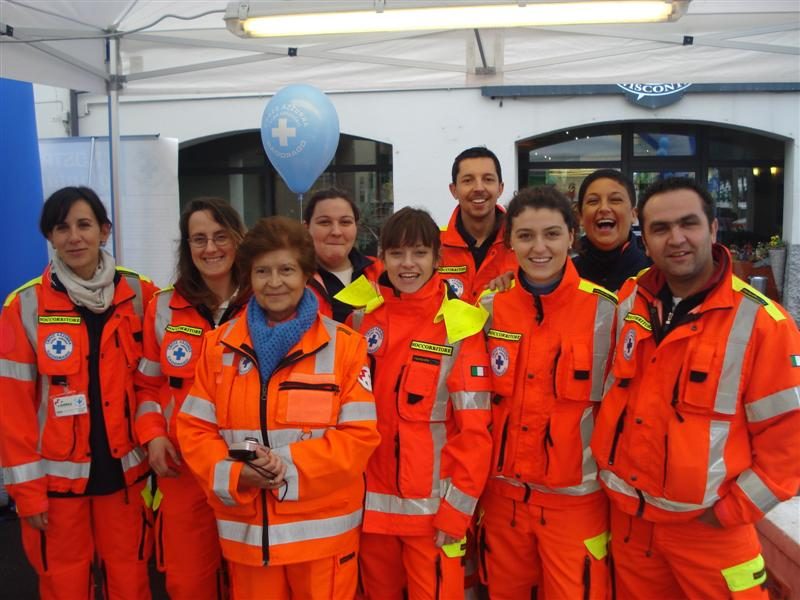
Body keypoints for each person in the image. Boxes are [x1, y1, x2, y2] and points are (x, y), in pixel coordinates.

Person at [591, 177, 800, 598]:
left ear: (713, 229)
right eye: (661, 228)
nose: (677, 239)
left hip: (711, 534)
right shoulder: (631, 301)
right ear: (644, 239)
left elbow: (789, 442)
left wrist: (728, 513)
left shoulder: (763, 323)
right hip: (632, 524)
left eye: (689, 224)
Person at [176, 216, 380, 600]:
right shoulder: (217, 345)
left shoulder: (346, 347)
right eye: (262, 271)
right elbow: (194, 430)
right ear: (247, 277)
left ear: (306, 275)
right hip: (249, 542)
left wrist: (282, 467)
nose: (274, 283)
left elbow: (359, 437)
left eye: (286, 270)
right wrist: (237, 475)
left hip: (324, 545)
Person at [0, 186, 158, 599]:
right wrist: (27, 494)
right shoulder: (24, 306)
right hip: (56, 490)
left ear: (104, 231)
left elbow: (155, 383)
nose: (74, 237)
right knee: (64, 585)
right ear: (50, 237)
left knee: (131, 580)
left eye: (84, 225)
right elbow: (12, 410)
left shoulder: (142, 295)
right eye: (61, 227)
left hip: (127, 479)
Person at [344, 207, 493, 600]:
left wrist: (457, 511)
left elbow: (475, 433)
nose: (407, 264)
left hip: (432, 518)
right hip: (369, 516)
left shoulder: (460, 326)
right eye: (396, 253)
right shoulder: (360, 320)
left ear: (438, 259)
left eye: (419, 253)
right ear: (382, 257)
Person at [477, 186, 614, 599]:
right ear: (510, 243)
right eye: (525, 236)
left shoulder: (609, 312)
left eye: (552, 234)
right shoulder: (487, 308)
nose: (540, 248)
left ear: (573, 236)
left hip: (576, 503)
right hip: (501, 499)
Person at [135, 197, 246, 599]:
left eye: (220, 237)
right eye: (198, 239)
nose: (210, 248)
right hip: (182, 469)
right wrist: (153, 435)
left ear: (239, 240)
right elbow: (147, 386)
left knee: (249, 580)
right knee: (187, 581)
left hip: (244, 468)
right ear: (187, 247)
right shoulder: (163, 307)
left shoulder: (264, 302)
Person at [440, 146, 517, 302]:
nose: (479, 188)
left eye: (488, 179)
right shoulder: (433, 244)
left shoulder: (523, 243)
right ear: (453, 190)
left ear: (500, 188)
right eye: (468, 180)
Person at [304, 187, 382, 322]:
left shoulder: (381, 271)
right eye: (324, 222)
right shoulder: (294, 279)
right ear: (306, 228)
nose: (336, 232)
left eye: (345, 222)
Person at [572, 169, 650, 291]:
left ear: (633, 214)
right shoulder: (565, 274)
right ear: (580, 216)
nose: (604, 208)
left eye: (615, 200)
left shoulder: (653, 275)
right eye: (593, 201)